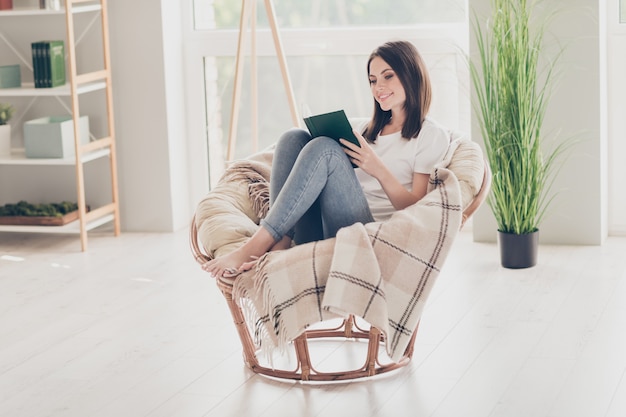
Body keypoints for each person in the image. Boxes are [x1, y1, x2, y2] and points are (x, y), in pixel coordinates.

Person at [203, 40, 451, 279]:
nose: (378, 87)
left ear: (411, 74)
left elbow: (416, 210)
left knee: (326, 149)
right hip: (324, 228)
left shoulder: (429, 135)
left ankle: (258, 243)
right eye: (373, 80)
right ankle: (280, 246)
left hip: (366, 237)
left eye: (388, 76)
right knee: (293, 137)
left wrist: (377, 169)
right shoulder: (369, 129)